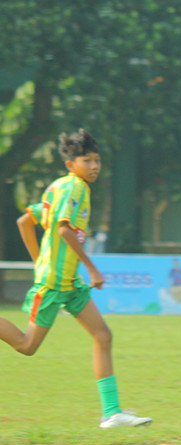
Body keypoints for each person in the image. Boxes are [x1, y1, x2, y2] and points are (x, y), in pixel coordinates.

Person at [0, 129, 152, 429]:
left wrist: (38, 261)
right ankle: (111, 412)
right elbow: (64, 230)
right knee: (27, 346)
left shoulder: (58, 187)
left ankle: (111, 413)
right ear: (72, 164)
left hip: (68, 282)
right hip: (55, 283)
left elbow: (24, 221)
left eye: (97, 160)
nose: (94, 166)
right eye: (87, 160)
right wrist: (93, 269)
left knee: (103, 335)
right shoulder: (74, 189)